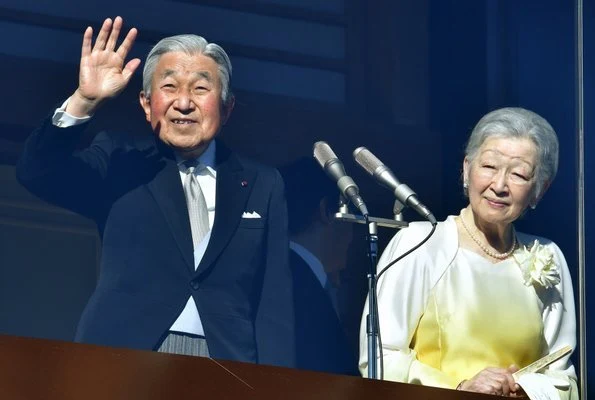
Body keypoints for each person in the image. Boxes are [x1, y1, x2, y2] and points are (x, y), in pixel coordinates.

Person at [16, 16, 295, 367]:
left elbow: (274, 304)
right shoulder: (122, 160)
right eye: (170, 87)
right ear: (147, 104)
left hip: (227, 364)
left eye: (200, 88)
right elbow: (37, 173)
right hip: (124, 358)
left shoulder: (262, 183)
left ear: (226, 108)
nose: (183, 102)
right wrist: (83, 101)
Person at [358, 107, 577, 399]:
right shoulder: (420, 244)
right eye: (489, 167)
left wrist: (527, 390)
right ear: (465, 169)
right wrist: (460, 389)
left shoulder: (549, 257)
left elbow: (563, 377)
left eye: (519, 175)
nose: (499, 186)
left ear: (540, 190)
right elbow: (379, 358)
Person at [280, 157, 358, 375]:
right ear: (326, 211)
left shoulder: (282, 275)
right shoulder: (301, 285)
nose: (353, 234)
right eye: (352, 215)